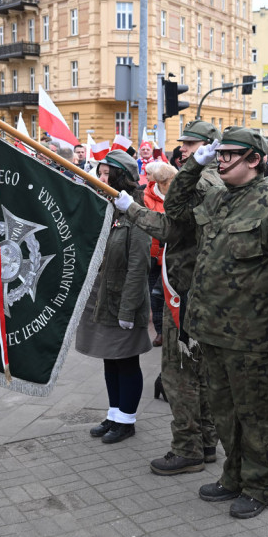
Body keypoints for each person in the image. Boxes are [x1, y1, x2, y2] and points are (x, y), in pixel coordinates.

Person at [153, 126, 268, 519]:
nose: (220, 160)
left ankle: (260, 485)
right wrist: (192, 166)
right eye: (218, 154)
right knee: (224, 412)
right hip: (213, 329)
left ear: (254, 159)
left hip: (254, 333)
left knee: (254, 415)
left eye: (228, 155)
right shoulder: (222, 199)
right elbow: (175, 211)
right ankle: (233, 475)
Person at [116, 119, 222, 477]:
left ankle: (187, 448)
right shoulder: (213, 181)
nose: (184, 151)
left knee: (179, 375)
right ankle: (207, 442)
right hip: (198, 286)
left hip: (185, 289)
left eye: (191, 145)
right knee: (200, 373)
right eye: (184, 145)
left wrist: (130, 208)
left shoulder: (198, 183)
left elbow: (168, 228)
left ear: (210, 147)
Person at [76, 150, 153, 444]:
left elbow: (138, 266)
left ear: (122, 177)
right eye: (101, 172)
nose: (102, 178)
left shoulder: (137, 212)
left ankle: (127, 420)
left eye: (108, 173)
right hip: (102, 298)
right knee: (109, 358)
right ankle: (114, 414)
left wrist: (128, 309)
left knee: (126, 361)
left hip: (124, 300)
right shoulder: (104, 208)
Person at [143, 161, 178, 348]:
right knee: (155, 294)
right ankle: (160, 332)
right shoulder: (146, 196)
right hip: (153, 254)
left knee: (169, 294)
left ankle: (172, 331)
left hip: (173, 256)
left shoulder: (177, 195)